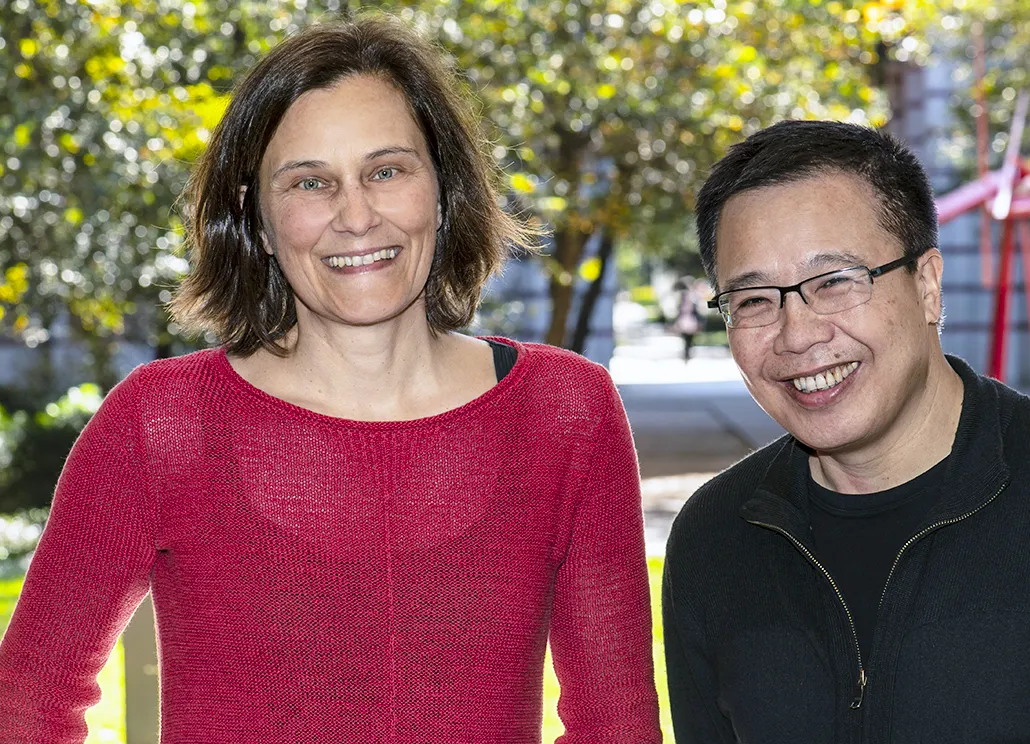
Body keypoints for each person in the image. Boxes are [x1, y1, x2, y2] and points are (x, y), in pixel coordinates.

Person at [0, 16, 661, 743]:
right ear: (254, 213)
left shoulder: (565, 412)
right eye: (310, 182)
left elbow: (616, 726)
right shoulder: (162, 424)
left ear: (442, 187)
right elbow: (25, 709)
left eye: (386, 170)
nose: (356, 216)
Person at [662, 120, 1030, 742]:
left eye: (835, 282)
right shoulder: (716, 537)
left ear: (927, 286)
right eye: (755, 300)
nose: (797, 335)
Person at [671, 277, 704, 363]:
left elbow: (697, 310)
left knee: (689, 338)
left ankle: (688, 351)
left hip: (691, 320)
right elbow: (679, 310)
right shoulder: (682, 296)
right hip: (684, 320)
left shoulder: (694, 296)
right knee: (685, 337)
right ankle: (686, 353)